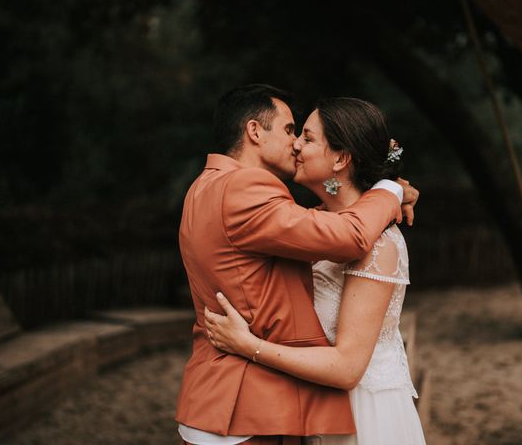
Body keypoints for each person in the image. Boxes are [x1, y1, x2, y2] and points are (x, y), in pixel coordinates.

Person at [175, 84, 419, 445]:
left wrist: (387, 191)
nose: (295, 145)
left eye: (305, 136)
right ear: (255, 132)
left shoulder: (206, 186)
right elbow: (349, 236)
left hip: (316, 408)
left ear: (340, 159)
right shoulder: (245, 188)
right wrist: (390, 191)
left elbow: (333, 230)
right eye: (292, 131)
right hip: (246, 409)